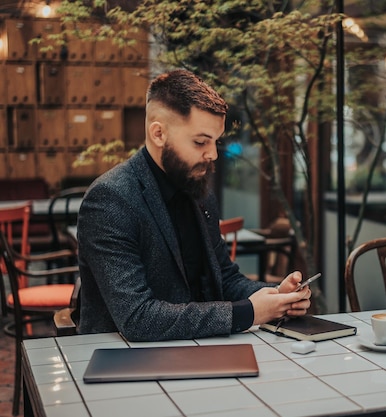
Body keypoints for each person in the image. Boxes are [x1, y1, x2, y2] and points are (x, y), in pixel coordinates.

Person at [76, 69, 311, 341]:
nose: (212, 155)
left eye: (215, 142)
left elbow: (223, 278)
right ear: (158, 134)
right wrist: (249, 312)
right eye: (200, 142)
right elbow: (137, 318)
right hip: (121, 361)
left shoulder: (197, 190)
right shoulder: (110, 199)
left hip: (197, 348)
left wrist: (278, 296)